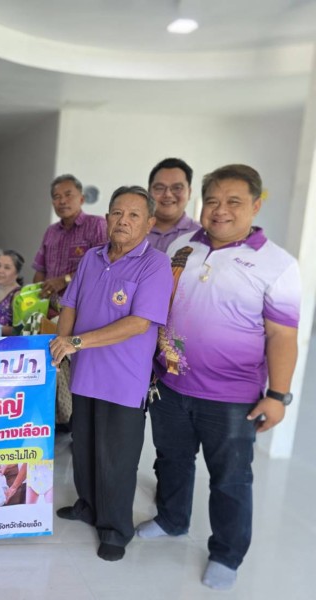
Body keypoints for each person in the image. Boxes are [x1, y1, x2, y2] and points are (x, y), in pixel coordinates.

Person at [137, 164, 301, 591]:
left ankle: (227, 554)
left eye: (233, 202)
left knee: (230, 479)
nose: (220, 210)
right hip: (171, 383)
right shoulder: (183, 245)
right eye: (212, 201)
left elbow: (282, 335)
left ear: (256, 205)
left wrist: (278, 396)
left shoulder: (278, 264)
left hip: (232, 397)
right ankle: (172, 519)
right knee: (171, 460)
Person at [50, 185, 173, 562]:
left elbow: (139, 323)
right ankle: (87, 506)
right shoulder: (92, 257)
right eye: (117, 213)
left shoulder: (155, 264)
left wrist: (77, 342)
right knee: (84, 447)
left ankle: (116, 529)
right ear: (106, 218)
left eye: (134, 215)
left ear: (149, 223)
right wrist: (61, 345)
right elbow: (70, 303)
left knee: (116, 458)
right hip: (84, 371)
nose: (123, 220)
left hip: (124, 378)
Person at [32, 174, 107, 312]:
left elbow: (102, 266)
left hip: (81, 309)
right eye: (57, 197)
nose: (62, 201)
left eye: (68, 195)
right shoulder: (51, 231)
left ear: (82, 199)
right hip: (48, 310)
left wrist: (64, 280)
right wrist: (36, 300)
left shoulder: (97, 225)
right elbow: (40, 271)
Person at [146, 158, 199, 252]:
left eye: (177, 188)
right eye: (159, 188)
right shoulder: (133, 229)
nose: (168, 194)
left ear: (189, 192)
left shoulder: (200, 235)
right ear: (149, 192)